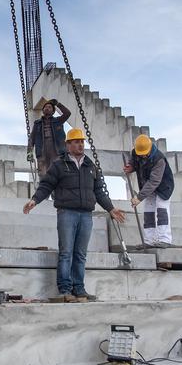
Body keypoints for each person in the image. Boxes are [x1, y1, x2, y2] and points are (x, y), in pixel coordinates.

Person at [23, 129, 125, 302]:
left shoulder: (90, 165)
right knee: (66, 252)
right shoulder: (59, 164)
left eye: (82, 142)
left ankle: (79, 289)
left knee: (80, 254)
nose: (80, 145)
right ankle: (65, 290)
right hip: (67, 213)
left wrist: (110, 208)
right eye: (76, 141)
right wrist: (35, 200)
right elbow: (46, 185)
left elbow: (99, 191)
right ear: (68, 145)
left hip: (86, 215)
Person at [123, 134, 174, 248]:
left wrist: (139, 197)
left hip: (163, 187)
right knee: (148, 213)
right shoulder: (136, 152)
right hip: (148, 186)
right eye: (141, 154)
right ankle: (149, 241)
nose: (143, 156)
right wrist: (131, 167)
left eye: (145, 153)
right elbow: (134, 162)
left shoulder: (159, 159)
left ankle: (165, 239)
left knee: (162, 211)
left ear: (150, 148)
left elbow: (154, 181)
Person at [27, 97, 72, 176]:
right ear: (43, 110)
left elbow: (67, 113)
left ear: (53, 111)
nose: (47, 108)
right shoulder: (37, 123)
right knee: (43, 176)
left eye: (49, 107)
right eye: (45, 107)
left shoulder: (58, 121)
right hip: (42, 153)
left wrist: (58, 104)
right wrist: (29, 152)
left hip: (57, 152)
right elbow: (32, 139)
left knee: (58, 174)